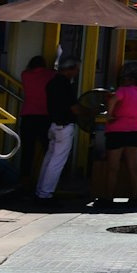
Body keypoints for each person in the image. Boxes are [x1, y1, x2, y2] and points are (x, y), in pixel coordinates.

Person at [94, 63, 137, 210]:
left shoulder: (122, 90)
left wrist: (110, 115)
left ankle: (109, 197)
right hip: (134, 130)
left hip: (116, 130)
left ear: (130, 79)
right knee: (133, 166)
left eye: (125, 78)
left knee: (113, 167)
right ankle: (134, 197)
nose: (122, 80)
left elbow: (113, 100)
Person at [36, 55, 81, 200]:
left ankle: (40, 191)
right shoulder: (67, 85)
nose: (76, 73)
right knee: (57, 162)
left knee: (49, 159)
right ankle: (46, 194)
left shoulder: (52, 83)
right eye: (76, 70)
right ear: (70, 70)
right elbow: (74, 108)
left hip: (53, 124)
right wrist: (89, 111)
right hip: (64, 126)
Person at [18, 54, 54, 193]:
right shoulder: (51, 75)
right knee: (48, 150)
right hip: (45, 116)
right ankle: (46, 183)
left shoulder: (25, 75)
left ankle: (25, 183)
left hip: (28, 116)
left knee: (27, 151)